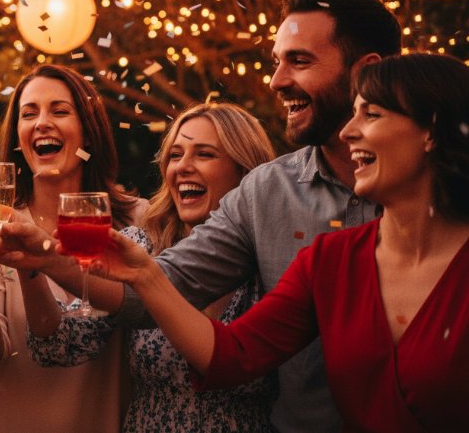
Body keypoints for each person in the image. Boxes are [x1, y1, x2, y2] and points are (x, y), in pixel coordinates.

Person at [0, 0, 401, 432]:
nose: (276, 80)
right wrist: (49, 259)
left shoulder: (432, 189)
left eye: (299, 61)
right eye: (277, 61)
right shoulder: (265, 194)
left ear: (367, 71)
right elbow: (208, 329)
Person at [103, 53, 469, 432]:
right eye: (353, 113)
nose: (347, 132)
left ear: (431, 130)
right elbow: (235, 354)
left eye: (371, 114)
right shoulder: (331, 260)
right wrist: (146, 275)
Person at [27, 102, 277, 433]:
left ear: (245, 173)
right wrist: (30, 266)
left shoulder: (272, 260)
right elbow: (58, 347)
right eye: (175, 155)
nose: (182, 167)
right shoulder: (140, 247)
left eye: (204, 154)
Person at [0, 64, 147, 433]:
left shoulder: (138, 220)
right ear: (18, 137)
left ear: (88, 130)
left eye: (59, 111)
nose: (42, 123)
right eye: (29, 114)